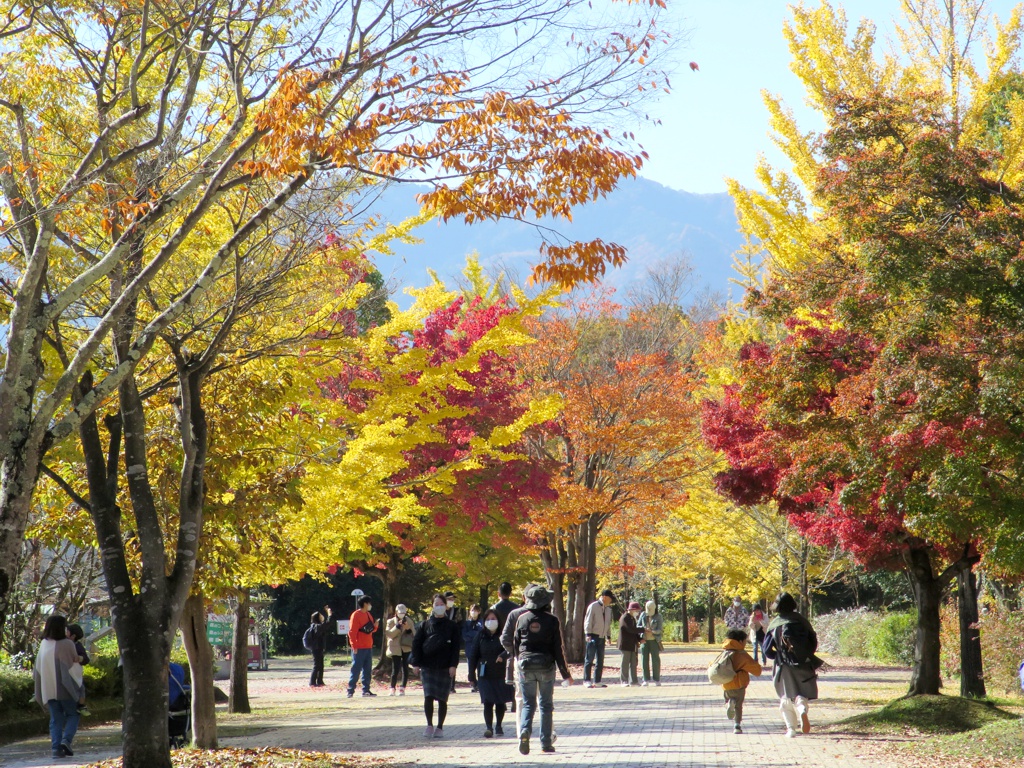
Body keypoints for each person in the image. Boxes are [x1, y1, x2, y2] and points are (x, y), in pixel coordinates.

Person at [513, 585, 572, 755]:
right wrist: (565, 674)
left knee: (528, 703)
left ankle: (524, 731)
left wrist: (519, 661)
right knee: (545, 705)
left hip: (525, 665)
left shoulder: (522, 619)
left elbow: (516, 644)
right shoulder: (552, 620)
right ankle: (546, 742)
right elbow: (557, 648)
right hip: (546, 666)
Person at [762, 592, 820, 737]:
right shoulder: (802, 621)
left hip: (783, 665)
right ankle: (802, 710)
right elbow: (813, 643)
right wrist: (803, 655)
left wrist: (779, 655)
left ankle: (791, 729)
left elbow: (766, 650)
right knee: (801, 694)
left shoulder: (776, 624)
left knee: (786, 697)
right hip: (804, 662)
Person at [33, 614, 84, 759]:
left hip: (48, 689)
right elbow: (73, 666)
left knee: (55, 719)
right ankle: (65, 741)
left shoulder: (44, 644)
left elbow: (37, 669)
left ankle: (56, 748)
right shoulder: (67, 644)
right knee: (73, 714)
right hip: (66, 688)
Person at [411, 594, 461, 738]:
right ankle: (429, 724)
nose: (439, 606)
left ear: (445, 606)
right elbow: (417, 644)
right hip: (428, 665)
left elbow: (455, 647)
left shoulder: (452, 626)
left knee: (443, 698)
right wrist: (416, 663)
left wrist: (453, 665)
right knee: (428, 696)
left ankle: (440, 726)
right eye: (436, 604)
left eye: (441, 604)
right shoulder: (425, 624)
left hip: (445, 666)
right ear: (432, 606)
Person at [467, 608, 515, 737]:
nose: (490, 622)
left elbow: (512, 648)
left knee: (500, 701)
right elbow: (473, 655)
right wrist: (471, 674)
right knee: (487, 701)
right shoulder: (480, 635)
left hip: (500, 673)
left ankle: (499, 725)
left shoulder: (503, 635)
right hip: (485, 673)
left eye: (493, 619)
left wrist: (503, 655)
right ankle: (489, 727)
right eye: (488, 619)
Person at [720, 628, 762, 734]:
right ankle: (737, 726)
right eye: (744, 641)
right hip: (739, 683)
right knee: (738, 705)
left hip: (726, 683)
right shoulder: (741, 654)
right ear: (739, 641)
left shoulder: (725, 651)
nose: (745, 643)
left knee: (727, 700)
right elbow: (756, 670)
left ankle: (729, 703)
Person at [582, 589, 615, 688]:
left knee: (600, 660)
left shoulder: (609, 610)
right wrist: (588, 634)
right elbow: (588, 620)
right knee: (589, 659)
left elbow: (608, 624)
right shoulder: (593, 606)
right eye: (610, 598)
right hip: (592, 636)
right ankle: (586, 680)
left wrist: (608, 636)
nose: (611, 601)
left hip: (602, 637)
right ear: (604, 597)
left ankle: (597, 681)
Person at [347, 596, 378, 698]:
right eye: (369, 603)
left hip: (368, 646)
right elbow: (352, 632)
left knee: (367, 670)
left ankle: (366, 690)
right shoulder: (356, 615)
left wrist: (376, 626)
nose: (370, 605)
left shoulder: (368, 614)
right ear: (365, 603)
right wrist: (354, 645)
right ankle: (350, 690)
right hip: (359, 647)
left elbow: (370, 630)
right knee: (356, 669)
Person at [385, 604, 415, 696]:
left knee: (405, 667)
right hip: (395, 647)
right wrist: (397, 627)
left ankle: (402, 687)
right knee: (395, 668)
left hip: (406, 647)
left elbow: (414, 633)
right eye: (399, 612)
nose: (401, 614)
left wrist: (408, 629)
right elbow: (389, 634)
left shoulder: (409, 620)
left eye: (403, 612)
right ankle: (392, 688)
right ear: (396, 612)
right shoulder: (390, 621)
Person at [66, 624, 91, 715]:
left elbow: (86, 659)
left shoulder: (78, 646)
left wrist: (80, 658)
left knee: (81, 688)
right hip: (65, 672)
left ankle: (81, 705)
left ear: (73, 636)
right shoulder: (61, 643)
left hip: (75, 672)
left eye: (67, 631)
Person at [638, 600, 663, 686]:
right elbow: (638, 626)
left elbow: (660, 630)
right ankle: (645, 679)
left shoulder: (658, 616)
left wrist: (652, 632)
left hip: (654, 641)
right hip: (644, 641)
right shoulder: (643, 615)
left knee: (655, 660)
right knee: (644, 660)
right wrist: (643, 631)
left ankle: (657, 679)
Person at [618, 601, 643, 686]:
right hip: (625, 644)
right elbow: (631, 629)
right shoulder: (625, 618)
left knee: (633, 663)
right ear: (632, 610)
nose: (638, 612)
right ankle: (624, 680)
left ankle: (634, 681)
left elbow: (634, 631)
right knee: (625, 663)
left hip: (632, 644)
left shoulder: (632, 618)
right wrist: (643, 629)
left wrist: (640, 639)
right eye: (637, 610)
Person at [443, 591, 463, 692]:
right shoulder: (439, 610)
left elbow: (460, 624)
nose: (451, 601)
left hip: (453, 639)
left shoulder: (456, 611)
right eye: (449, 599)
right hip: (441, 640)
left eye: (452, 599)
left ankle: (452, 686)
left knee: (453, 662)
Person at [306, 608, 331, 687]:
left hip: (318, 647)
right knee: (317, 665)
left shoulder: (316, 626)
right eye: (320, 616)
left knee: (321, 664)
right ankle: (312, 682)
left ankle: (320, 681)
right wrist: (329, 615)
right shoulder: (316, 626)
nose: (322, 617)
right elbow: (326, 624)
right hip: (316, 648)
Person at [462, 604, 484, 693]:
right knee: (471, 669)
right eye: (472, 610)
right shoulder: (466, 623)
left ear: (479, 612)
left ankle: (480, 684)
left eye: (475, 610)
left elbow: (482, 634)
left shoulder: (482, 622)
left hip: (480, 649)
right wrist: (475, 634)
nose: (473, 612)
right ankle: (473, 683)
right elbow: (465, 636)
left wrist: (473, 634)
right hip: (470, 649)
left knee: (480, 668)